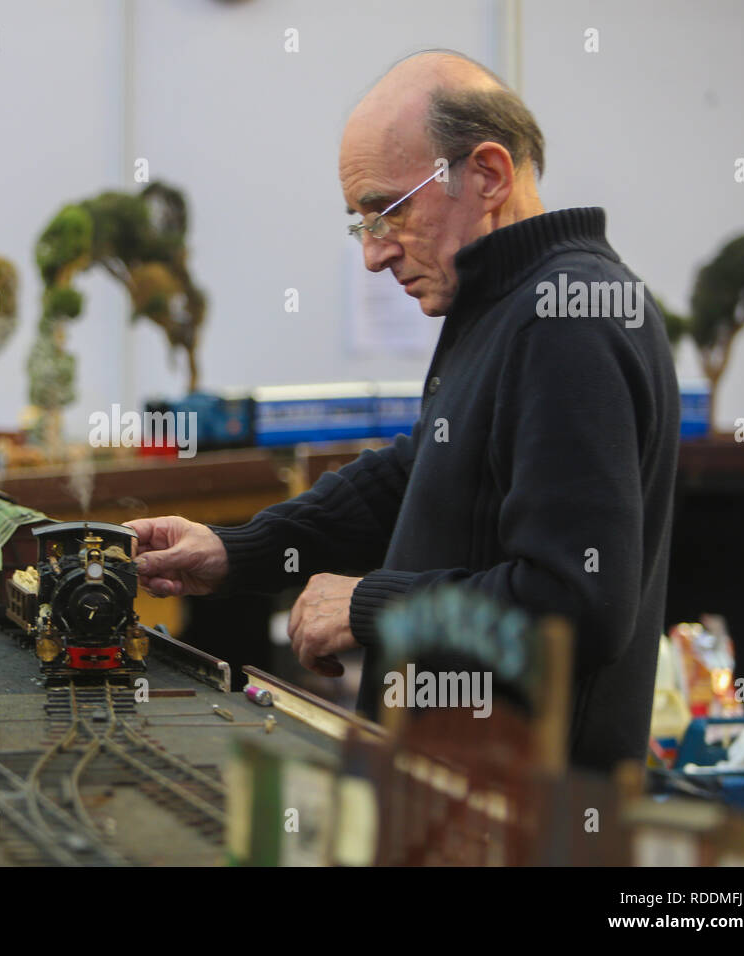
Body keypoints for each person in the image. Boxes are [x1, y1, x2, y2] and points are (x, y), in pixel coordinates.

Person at [127, 50, 680, 773]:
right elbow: (419, 474)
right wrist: (239, 550)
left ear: (487, 175)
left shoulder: (566, 321)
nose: (374, 255)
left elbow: (575, 603)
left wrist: (370, 606)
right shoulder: (504, 305)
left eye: (388, 210)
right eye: (359, 223)